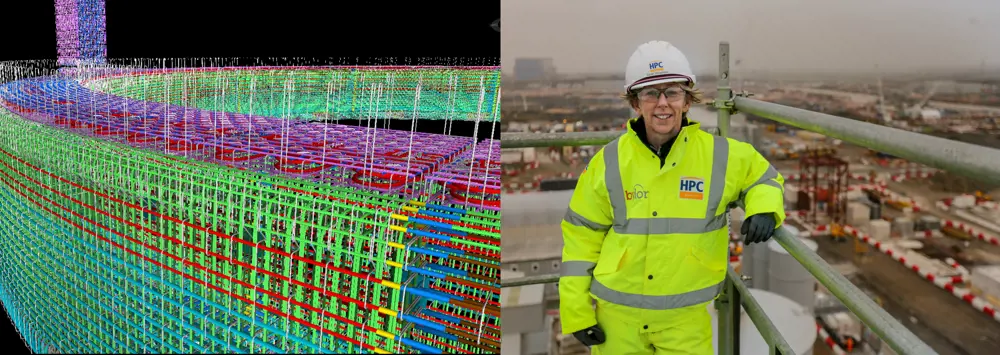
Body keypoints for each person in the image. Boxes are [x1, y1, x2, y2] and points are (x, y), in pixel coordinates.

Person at [558, 41, 786, 354]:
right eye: (651, 93)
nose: (662, 103)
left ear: (687, 101)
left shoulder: (721, 155)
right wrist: (577, 312)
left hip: (685, 320)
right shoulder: (608, 162)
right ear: (636, 103)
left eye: (673, 92)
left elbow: (765, 178)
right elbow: (581, 239)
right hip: (617, 318)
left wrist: (763, 209)